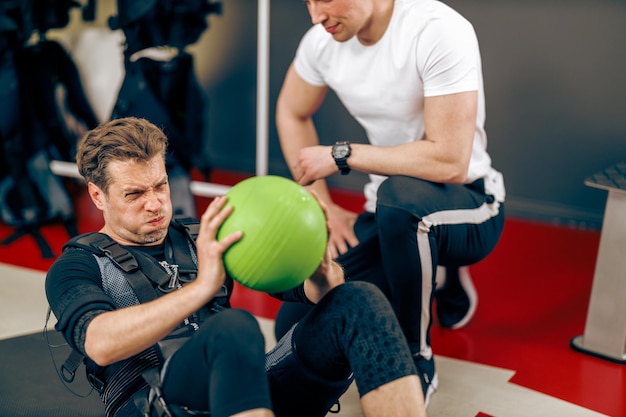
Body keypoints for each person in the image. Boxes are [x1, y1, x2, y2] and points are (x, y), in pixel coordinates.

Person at [45, 117, 427, 417]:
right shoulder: (77, 265)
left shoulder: (205, 234)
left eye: (160, 185)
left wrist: (322, 271)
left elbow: (311, 293)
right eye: (135, 193)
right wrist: (201, 287)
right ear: (97, 194)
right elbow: (100, 343)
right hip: (155, 403)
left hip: (243, 389)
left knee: (358, 298)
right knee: (234, 326)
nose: (156, 203)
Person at [274, 0, 506, 406]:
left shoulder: (438, 28)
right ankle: (429, 267)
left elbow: (450, 160)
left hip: (470, 201)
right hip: (390, 211)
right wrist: (321, 205)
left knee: (399, 199)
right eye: (307, 1)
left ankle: (418, 361)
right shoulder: (321, 42)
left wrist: (342, 155)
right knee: (298, 323)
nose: (316, 15)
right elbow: (291, 111)